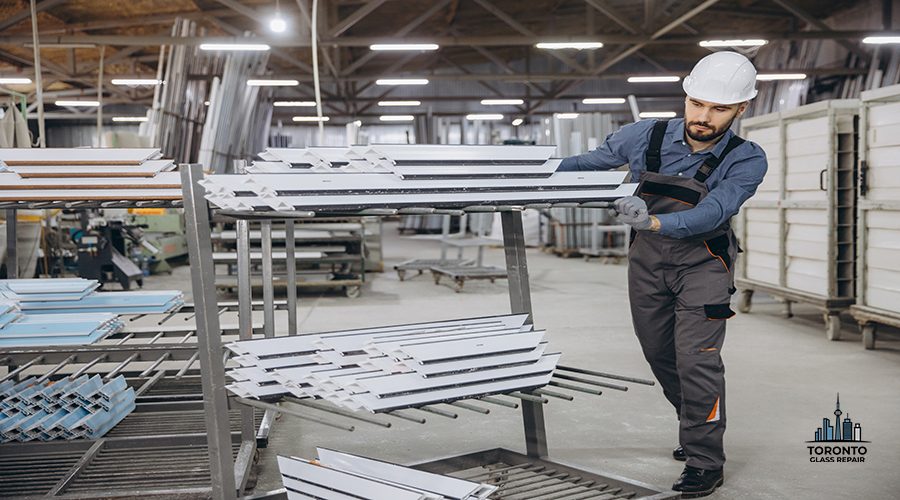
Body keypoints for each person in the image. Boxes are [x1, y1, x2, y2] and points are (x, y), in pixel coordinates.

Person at [557, 51, 768, 498]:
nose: (703, 117)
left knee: (697, 360)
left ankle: (705, 460)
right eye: (697, 103)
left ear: (741, 108)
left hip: (705, 263)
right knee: (659, 353)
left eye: (719, 109)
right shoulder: (644, 134)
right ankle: (692, 424)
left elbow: (714, 211)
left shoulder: (747, 158)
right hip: (648, 262)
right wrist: (522, 172)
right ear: (686, 96)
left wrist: (653, 221)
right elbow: (589, 163)